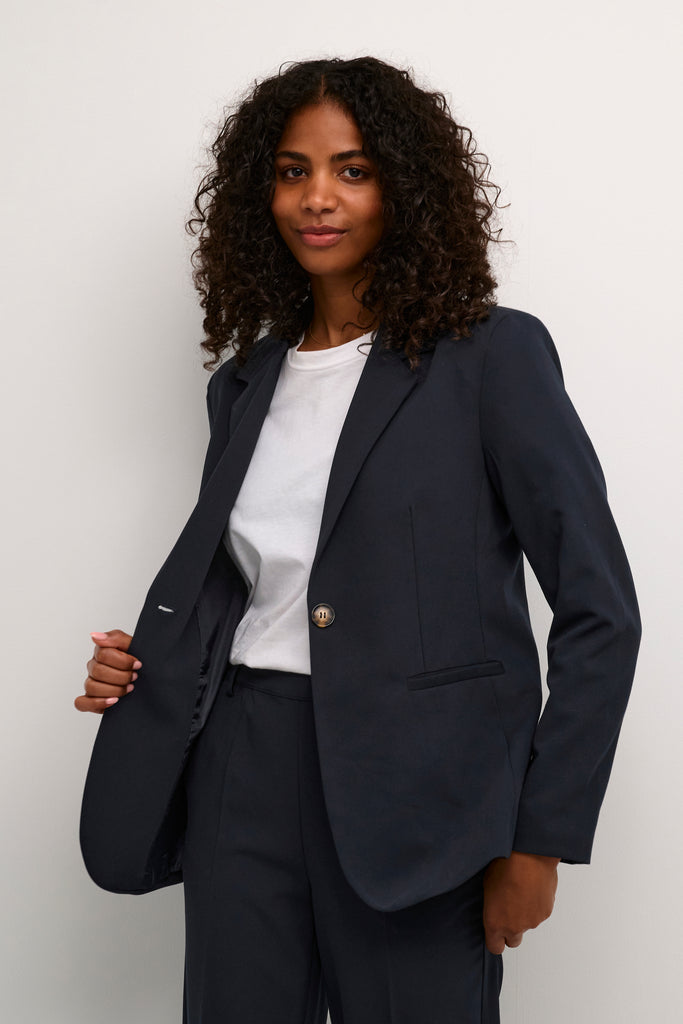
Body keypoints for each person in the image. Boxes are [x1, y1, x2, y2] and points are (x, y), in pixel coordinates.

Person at [75, 56, 641, 1024]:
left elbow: (600, 611)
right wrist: (147, 666)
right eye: (291, 171)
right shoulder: (243, 384)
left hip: (422, 793)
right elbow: (256, 586)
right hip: (243, 765)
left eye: (353, 170)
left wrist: (540, 838)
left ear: (405, 189)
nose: (316, 198)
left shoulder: (489, 357)